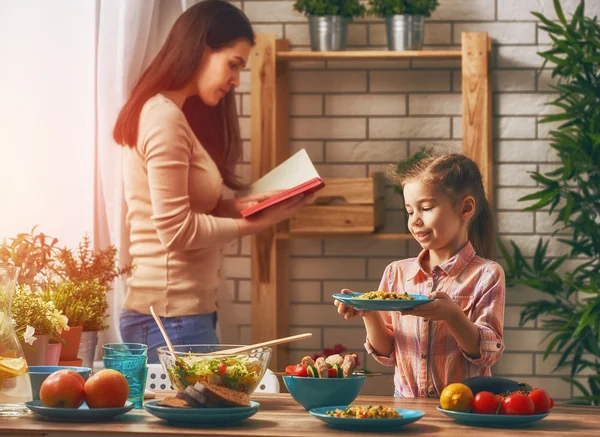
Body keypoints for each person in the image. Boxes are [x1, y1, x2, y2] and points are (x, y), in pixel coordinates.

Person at [113, 0, 308, 363]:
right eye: (233, 65)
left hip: (181, 315)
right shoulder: (163, 119)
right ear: (201, 48)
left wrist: (247, 205)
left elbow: (187, 209)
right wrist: (257, 224)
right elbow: (175, 231)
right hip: (169, 317)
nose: (236, 81)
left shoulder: (173, 116)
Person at [334, 152, 505, 397]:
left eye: (425, 208)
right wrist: (368, 312)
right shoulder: (396, 273)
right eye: (409, 211)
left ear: (466, 208)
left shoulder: (487, 275)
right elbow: (387, 352)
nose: (415, 220)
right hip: (405, 405)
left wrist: (452, 315)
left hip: (463, 408)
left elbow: (487, 354)